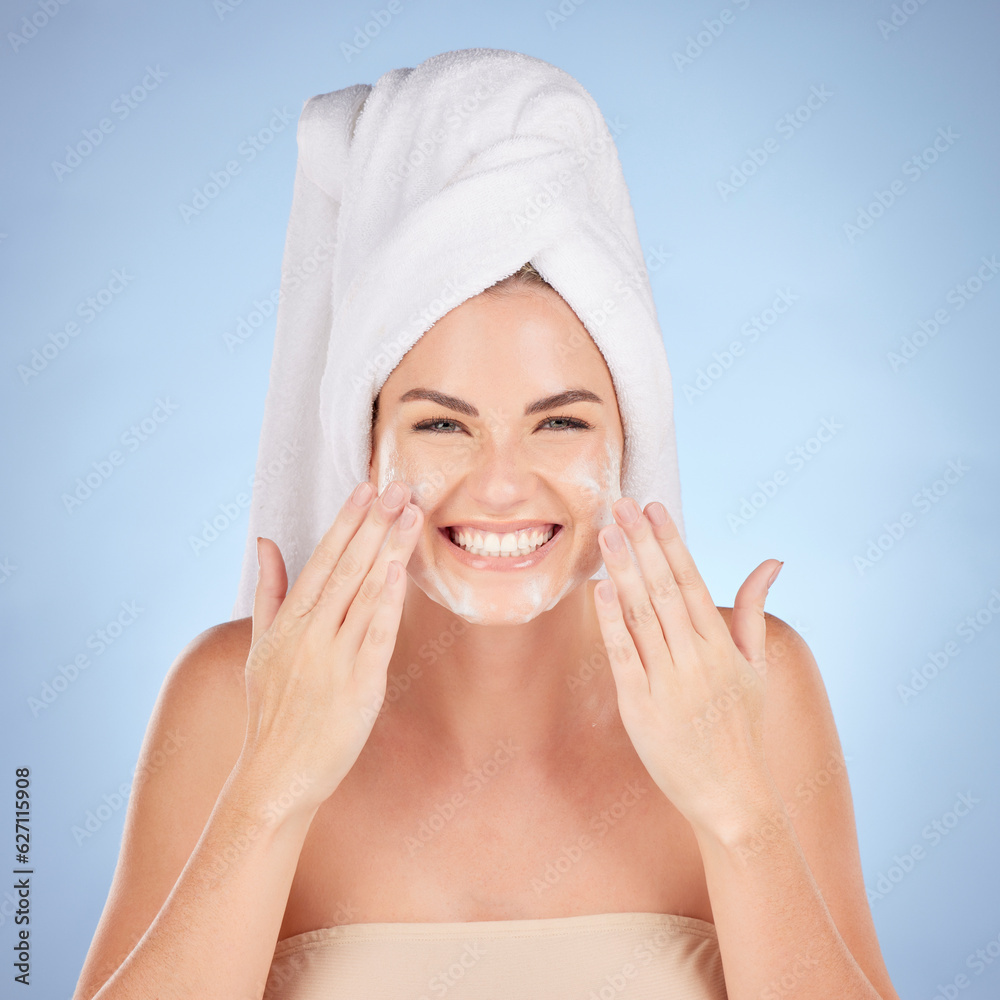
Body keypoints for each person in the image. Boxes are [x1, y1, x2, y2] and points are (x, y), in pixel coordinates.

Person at [73, 49, 903, 1000]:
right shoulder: (233, 695)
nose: (503, 486)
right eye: (440, 423)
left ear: (629, 436)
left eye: (559, 422)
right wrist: (269, 790)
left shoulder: (752, 686)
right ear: (364, 439)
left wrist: (739, 814)